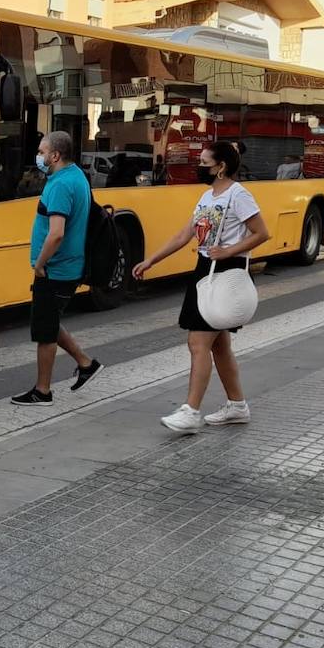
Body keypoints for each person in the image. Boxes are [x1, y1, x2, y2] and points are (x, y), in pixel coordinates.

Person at [132, 141, 270, 433]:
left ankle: (191, 411)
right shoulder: (207, 197)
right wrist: (152, 260)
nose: (200, 166)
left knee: (198, 343)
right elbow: (185, 234)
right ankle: (237, 405)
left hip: (225, 271)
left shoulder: (239, 195)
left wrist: (229, 251)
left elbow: (262, 233)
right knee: (219, 345)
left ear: (221, 167)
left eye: (205, 163)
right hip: (205, 270)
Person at [12, 131, 102, 406]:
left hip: (55, 269)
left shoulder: (60, 185)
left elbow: (56, 234)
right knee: (49, 321)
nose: (38, 156)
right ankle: (86, 364)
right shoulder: (76, 176)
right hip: (68, 266)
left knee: (45, 332)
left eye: (41, 152)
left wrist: (40, 264)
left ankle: (43, 391)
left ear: (55, 155)